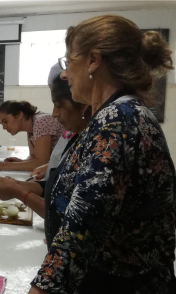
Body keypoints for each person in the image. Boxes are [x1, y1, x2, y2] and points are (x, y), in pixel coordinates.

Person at [33, 15, 173, 294]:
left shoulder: (117, 120)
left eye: (67, 60)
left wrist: (40, 289)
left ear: (93, 61)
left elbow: (81, 230)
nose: (64, 74)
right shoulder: (118, 115)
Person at [0, 62, 91, 245]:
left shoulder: (43, 122)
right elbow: (48, 170)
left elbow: (41, 162)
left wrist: (6, 171)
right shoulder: (35, 129)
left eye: (6, 121)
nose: (54, 114)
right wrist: (18, 180)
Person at [0, 100, 65, 172]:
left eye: (5, 121)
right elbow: (33, 157)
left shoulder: (41, 122)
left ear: (20, 115)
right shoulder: (31, 127)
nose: (4, 127)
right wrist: (21, 162)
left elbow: (41, 163)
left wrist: (3, 165)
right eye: (2, 124)